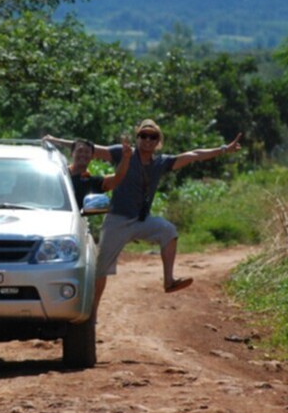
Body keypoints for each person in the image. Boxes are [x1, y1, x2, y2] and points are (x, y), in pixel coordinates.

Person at [48, 120, 242, 320]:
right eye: (144, 135)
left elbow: (192, 156)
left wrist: (223, 149)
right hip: (117, 220)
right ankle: (92, 315)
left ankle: (169, 280)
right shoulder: (123, 153)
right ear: (137, 137)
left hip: (142, 219)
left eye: (153, 137)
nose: (148, 140)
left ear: (158, 141)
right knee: (101, 269)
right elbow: (88, 148)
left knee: (169, 231)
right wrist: (54, 140)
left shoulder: (161, 162)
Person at [46, 137, 132, 209]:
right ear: (72, 153)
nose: (83, 154)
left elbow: (117, 178)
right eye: (79, 151)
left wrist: (126, 158)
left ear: (92, 156)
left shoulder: (92, 182)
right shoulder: (58, 174)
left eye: (87, 152)